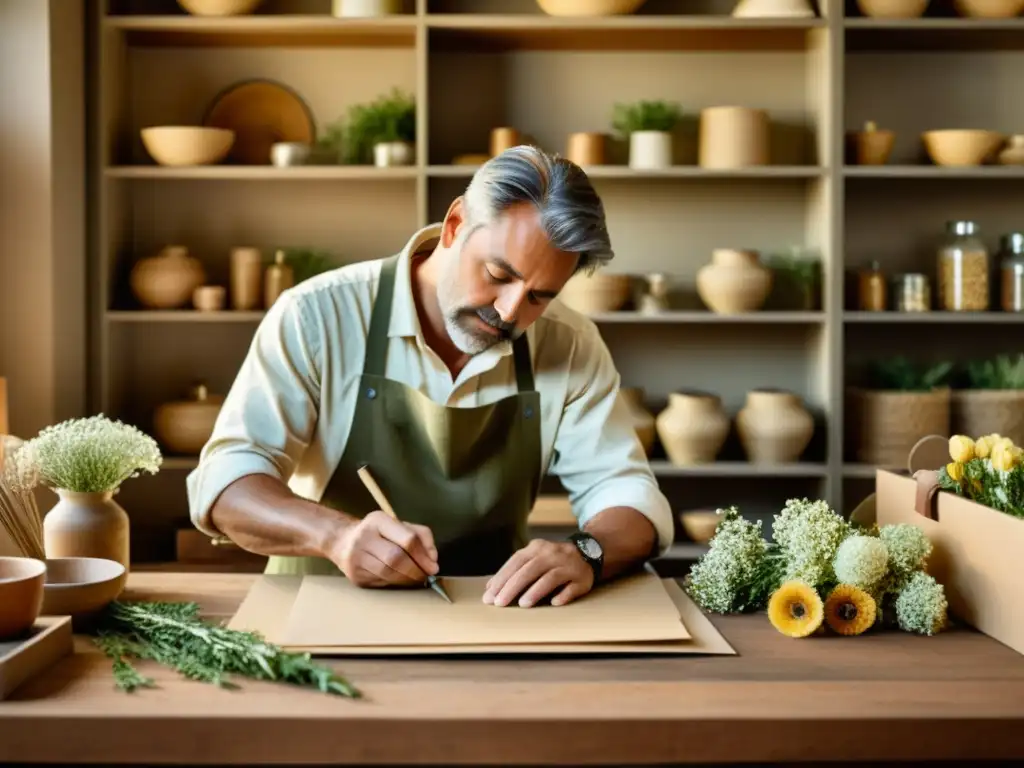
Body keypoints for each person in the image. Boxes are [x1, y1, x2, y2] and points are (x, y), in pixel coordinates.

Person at [186, 145, 673, 609]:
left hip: (493, 614)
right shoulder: (317, 316)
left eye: (539, 296)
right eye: (499, 274)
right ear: (455, 224)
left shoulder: (569, 343)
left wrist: (588, 552)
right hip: (321, 611)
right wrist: (336, 536)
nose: (509, 311)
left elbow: (627, 493)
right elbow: (228, 484)